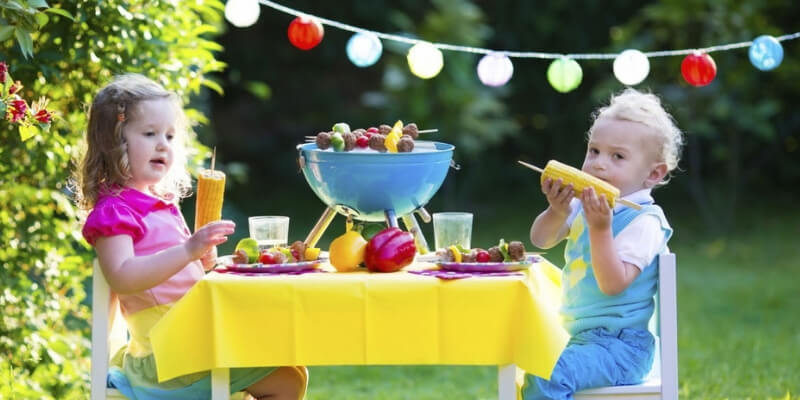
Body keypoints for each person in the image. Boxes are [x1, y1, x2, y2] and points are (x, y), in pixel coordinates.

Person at [74, 73, 307, 400]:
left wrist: (199, 259)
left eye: (170, 136)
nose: (162, 145)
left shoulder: (159, 204)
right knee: (286, 382)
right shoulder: (115, 211)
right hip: (166, 355)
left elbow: (174, 271)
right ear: (115, 141)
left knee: (293, 369)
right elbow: (123, 276)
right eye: (150, 133)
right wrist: (187, 250)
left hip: (191, 338)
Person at [523, 88, 683, 399]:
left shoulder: (645, 222)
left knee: (546, 375)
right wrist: (556, 211)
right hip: (578, 338)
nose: (598, 165)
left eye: (617, 156)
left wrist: (600, 229)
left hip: (622, 347)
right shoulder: (586, 205)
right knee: (524, 353)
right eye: (594, 151)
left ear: (653, 173)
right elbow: (540, 239)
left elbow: (613, 284)